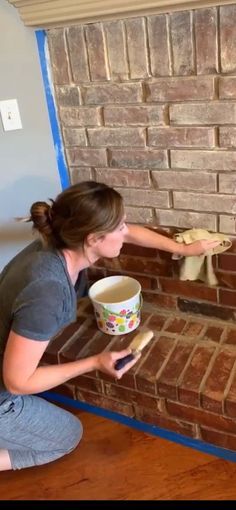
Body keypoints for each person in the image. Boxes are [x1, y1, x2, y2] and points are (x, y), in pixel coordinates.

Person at [0, 181, 220, 472]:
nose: (125, 231)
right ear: (93, 238)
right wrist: (94, 362)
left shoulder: (58, 239)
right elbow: (18, 382)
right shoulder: (48, 291)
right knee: (67, 436)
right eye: (119, 227)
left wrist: (184, 249)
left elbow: (131, 234)